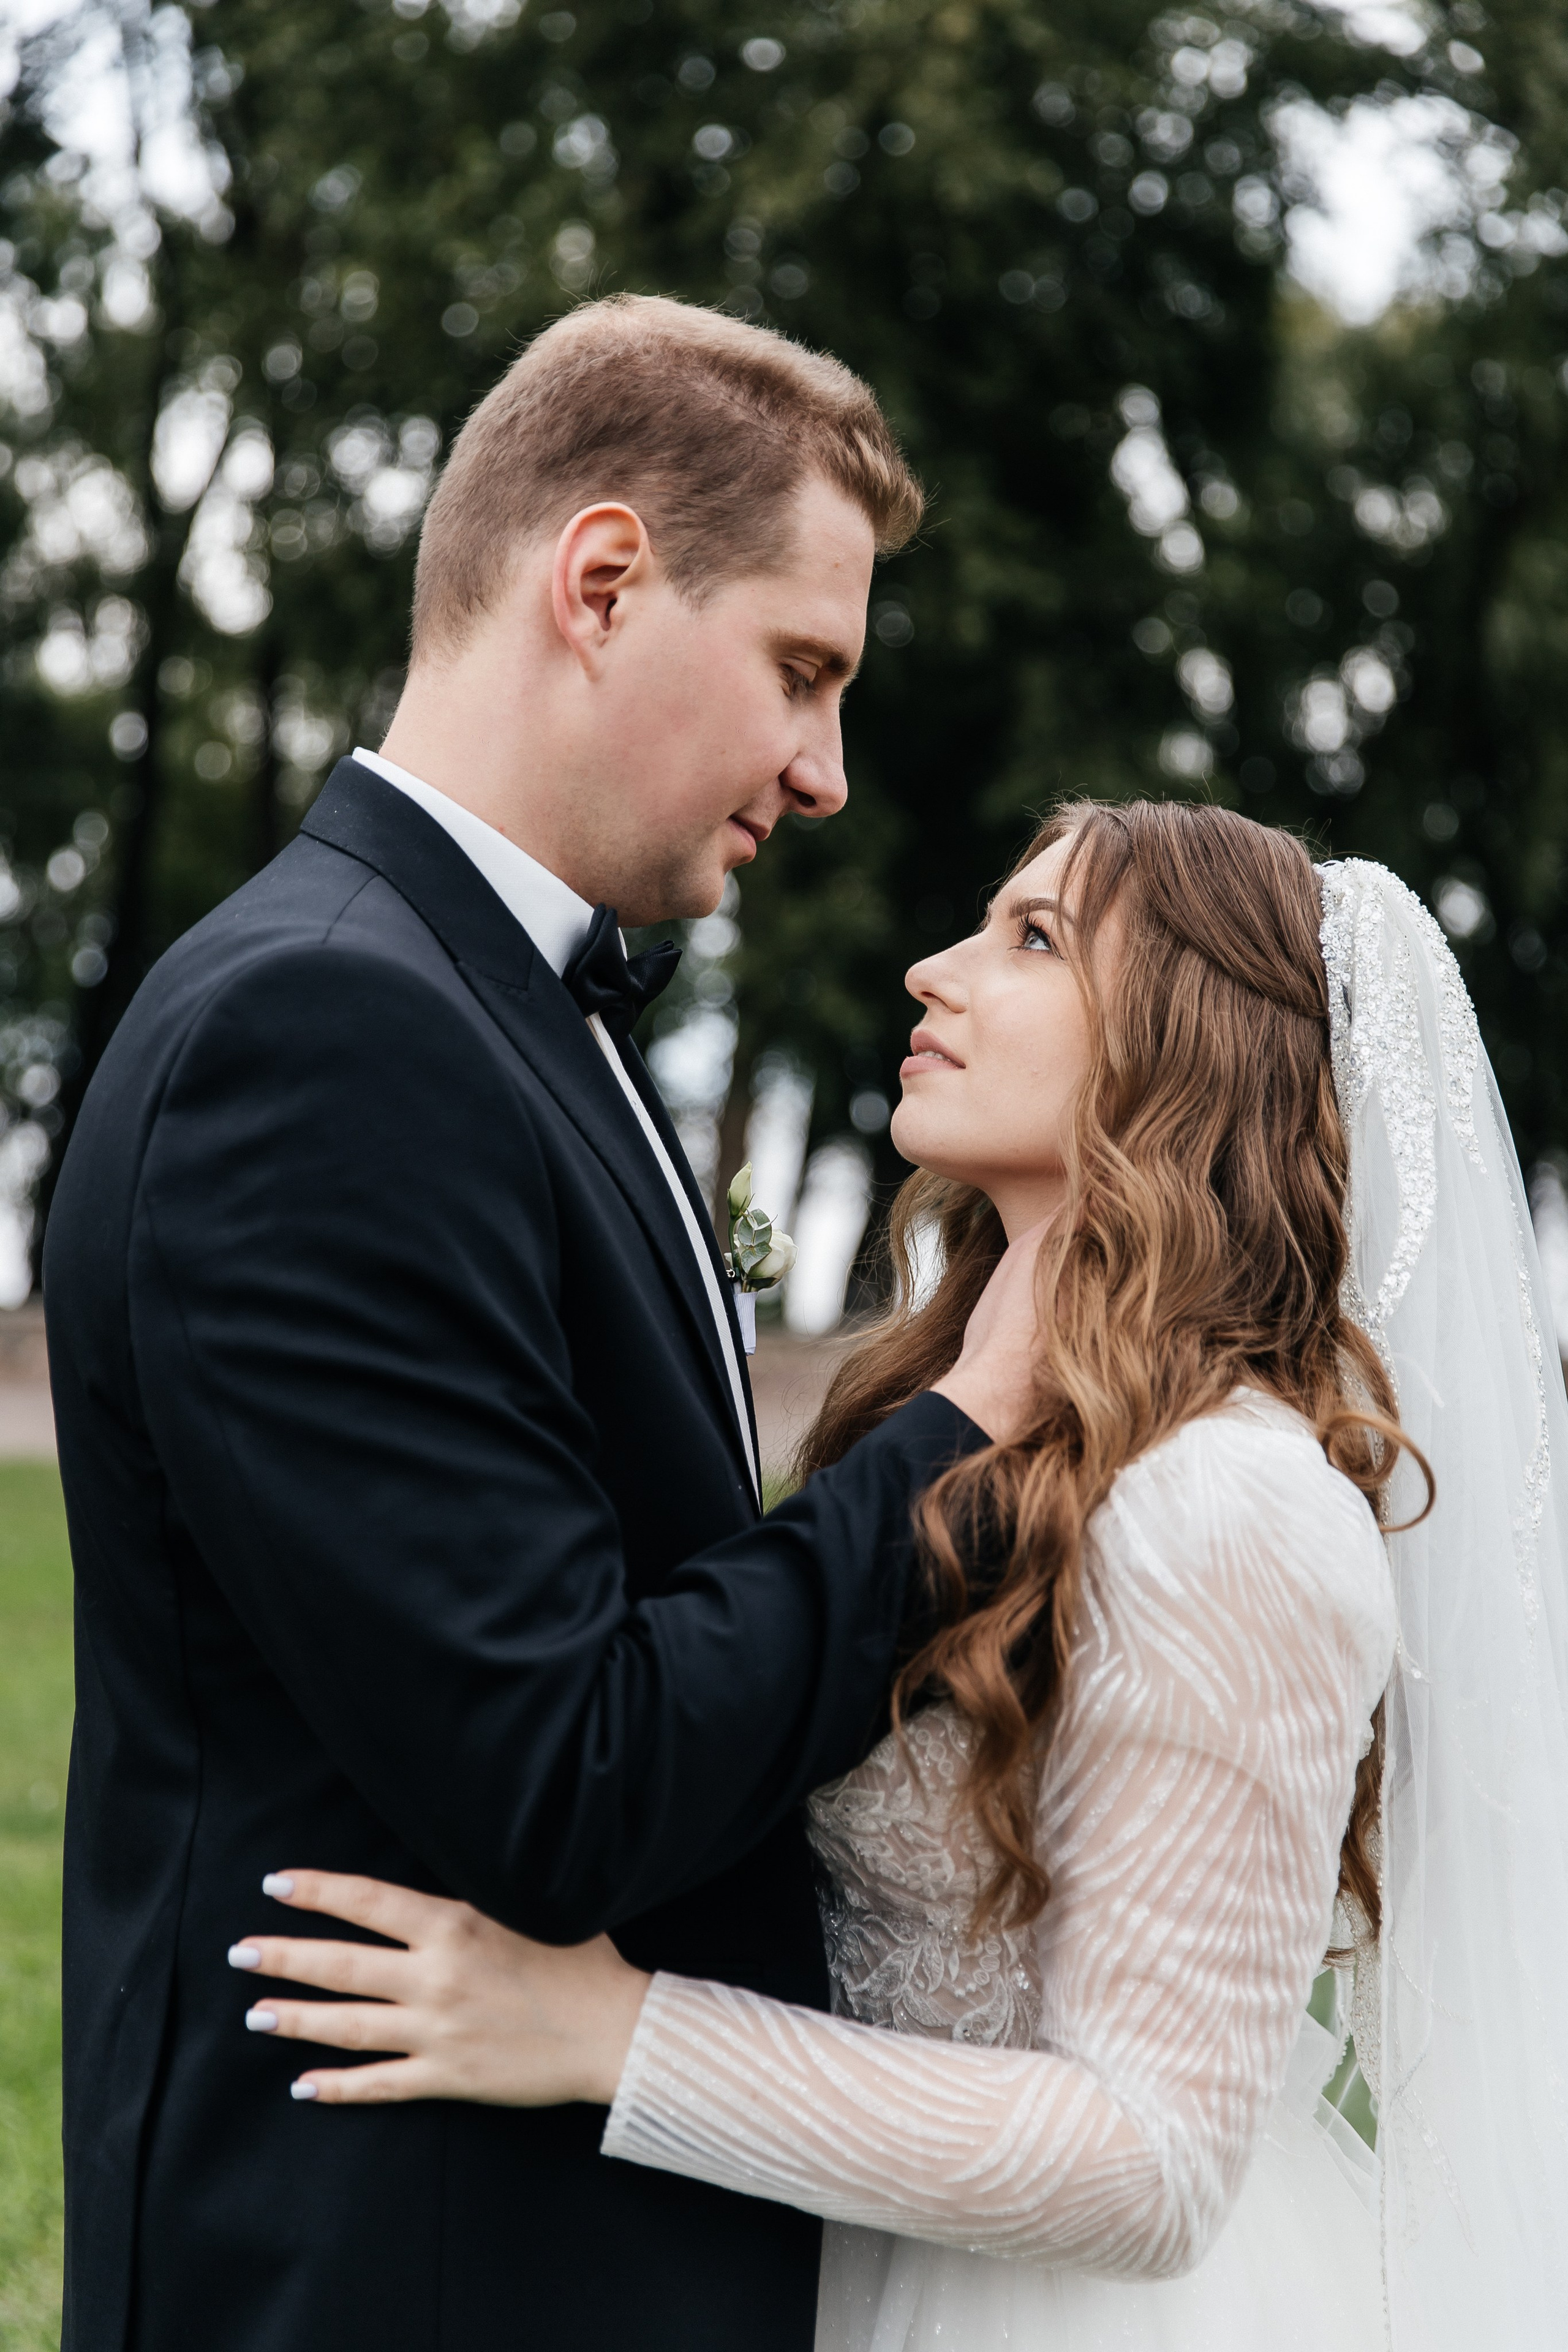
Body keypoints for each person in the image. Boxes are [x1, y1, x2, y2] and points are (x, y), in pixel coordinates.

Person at [233, 799, 1568, 2349]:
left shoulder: (1230, 1503)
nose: (934, 970)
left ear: (1186, 1044)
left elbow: (1154, 2164)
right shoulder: (960, 1421)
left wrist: (616, 2036)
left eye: (1032, 939)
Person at [42, 295, 1044, 2352]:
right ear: (601, 584)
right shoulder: (322, 1039)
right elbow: (563, 1773)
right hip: (407, 2277)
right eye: (803, 672)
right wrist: (980, 1417)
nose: (826, 774)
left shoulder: (489, 1010)